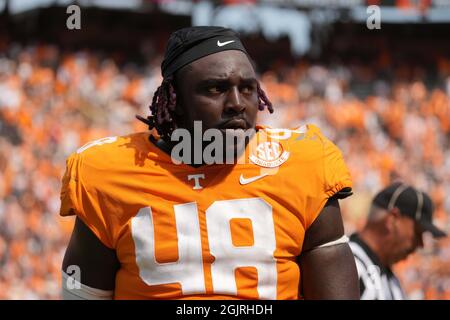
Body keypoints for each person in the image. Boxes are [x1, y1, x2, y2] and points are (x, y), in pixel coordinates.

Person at [60, 26, 359, 300]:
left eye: (247, 88)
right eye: (215, 89)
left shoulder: (302, 163)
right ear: (174, 100)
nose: (237, 103)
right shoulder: (109, 173)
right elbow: (83, 294)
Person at [349, 182, 447, 300]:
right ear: (393, 220)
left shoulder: (390, 279)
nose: (421, 244)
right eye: (417, 232)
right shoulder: (349, 265)